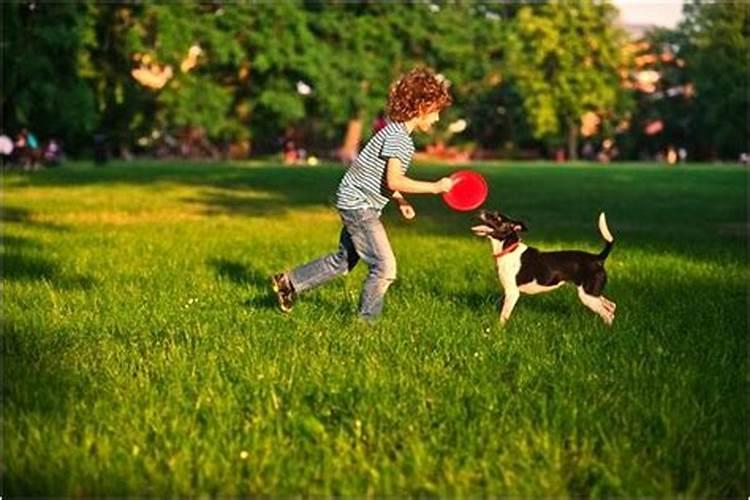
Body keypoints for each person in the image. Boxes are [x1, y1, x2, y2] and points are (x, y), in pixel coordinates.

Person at [271, 67, 454, 321]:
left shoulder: (394, 132)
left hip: (354, 200)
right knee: (385, 267)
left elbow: (384, 178)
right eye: (436, 112)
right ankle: (366, 323)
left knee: (343, 261)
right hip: (359, 205)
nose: (436, 119)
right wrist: (435, 187)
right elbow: (394, 178)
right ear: (422, 106)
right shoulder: (400, 139)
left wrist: (400, 199)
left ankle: (288, 283)